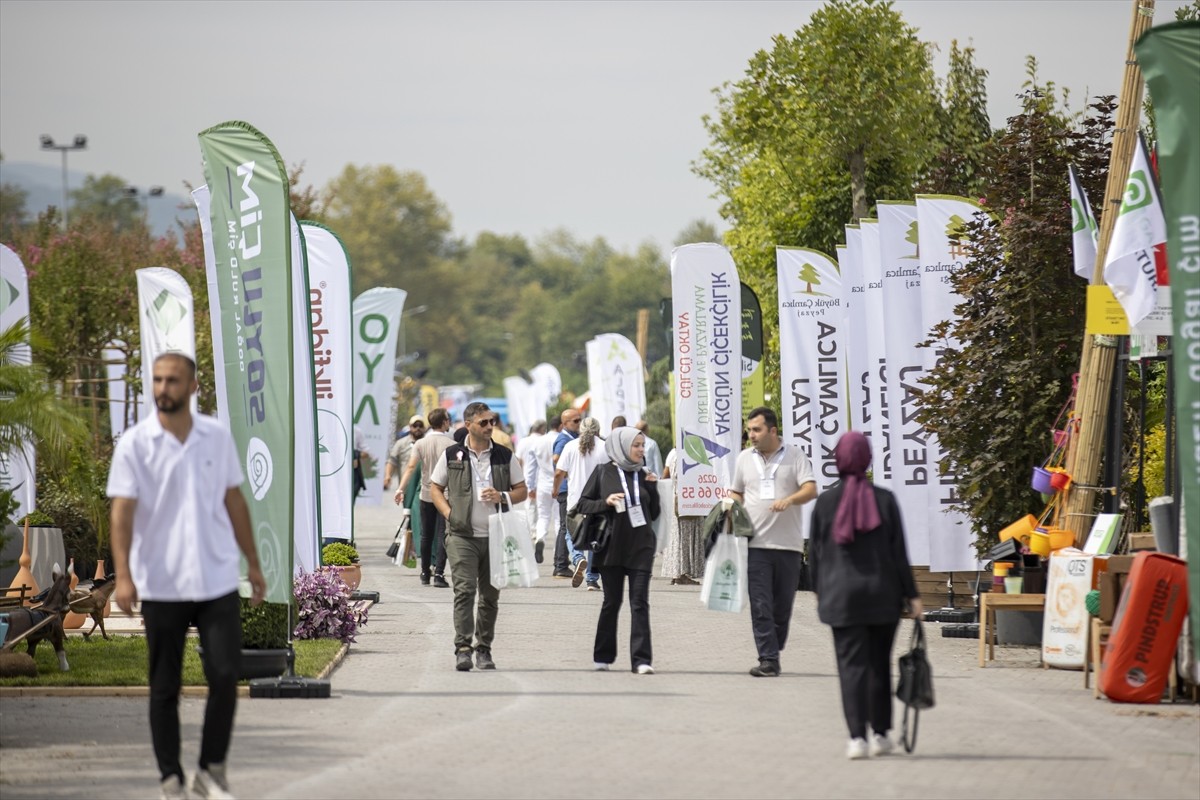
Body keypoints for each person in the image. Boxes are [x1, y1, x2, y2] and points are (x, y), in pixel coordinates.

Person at [106, 351, 267, 800]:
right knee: (164, 687)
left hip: (215, 578)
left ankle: (210, 771)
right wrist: (123, 576)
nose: (163, 388)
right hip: (161, 582)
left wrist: (252, 563)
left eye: (173, 380)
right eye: (157, 380)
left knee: (224, 674)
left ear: (193, 386)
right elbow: (121, 511)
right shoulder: (135, 444)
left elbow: (234, 501)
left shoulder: (216, 438)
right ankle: (170, 778)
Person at [809, 431, 922, 760]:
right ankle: (881, 734)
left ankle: (856, 737)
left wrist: (819, 590)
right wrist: (912, 596)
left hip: (841, 598)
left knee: (851, 667)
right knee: (878, 665)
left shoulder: (824, 503)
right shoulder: (885, 500)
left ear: (838, 459)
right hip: (883, 597)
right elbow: (898, 553)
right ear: (868, 459)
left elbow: (814, 554)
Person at [430, 402, 528, 671]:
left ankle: (483, 648)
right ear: (468, 425)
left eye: (491, 421)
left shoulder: (504, 456)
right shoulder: (452, 454)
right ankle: (463, 648)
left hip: (497, 535)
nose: (489, 427)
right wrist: (449, 515)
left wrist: (502, 496)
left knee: (489, 596)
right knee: (464, 591)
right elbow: (436, 488)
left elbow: (522, 490)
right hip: (462, 536)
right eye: (483, 422)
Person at [727, 406, 817, 678]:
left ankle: (773, 649)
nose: (751, 435)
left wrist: (789, 500)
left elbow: (811, 489)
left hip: (788, 546)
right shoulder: (744, 458)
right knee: (761, 604)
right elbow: (737, 491)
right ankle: (768, 659)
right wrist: (731, 505)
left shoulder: (795, 455)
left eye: (757, 430)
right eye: (749, 430)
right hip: (756, 546)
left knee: (782, 607)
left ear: (773, 430)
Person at [575, 426, 661, 674]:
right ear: (622, 446)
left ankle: (642, 660)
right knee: (611, 602)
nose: (641, 450)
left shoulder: (645, 474)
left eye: (642, 445)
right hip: (610, 548)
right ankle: (602, 656)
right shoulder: (604, 472)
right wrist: (606, 502)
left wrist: (653, 489)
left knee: (640, 603)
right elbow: (582, 503)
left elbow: (653, 513)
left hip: (641, 547)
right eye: (636, 445)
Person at [398, 408, 454, 587]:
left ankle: (424, 573)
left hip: (426, 494)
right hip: (445, 494)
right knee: (442, 534)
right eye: (447, 419)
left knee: (425, 534)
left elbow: (410, 467)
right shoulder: (451, 444)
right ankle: (439, 573)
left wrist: (400, 489)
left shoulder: (421, 444)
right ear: (444, 422)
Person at [555, 417, 607, 590]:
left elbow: (559, 472)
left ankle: (577, 558)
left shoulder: (571, 446)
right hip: (598, 501)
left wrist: (555, 490)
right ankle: (592, 578)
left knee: (571, 534)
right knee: (594, 540)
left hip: (575, 499)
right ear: (598, 430)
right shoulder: (605, 447)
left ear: (580, 430)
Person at [660, 447, 705, 585]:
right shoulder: (694, 453)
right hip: (688, 498)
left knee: (677, 536)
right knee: (686, 536)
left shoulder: (673, 453)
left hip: (676, 497)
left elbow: (665, 475)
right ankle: (682, 572)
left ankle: (677, 572)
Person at [551, 407, 583, 578]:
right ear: (564, 424)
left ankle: (562, 563)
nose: (579, 423)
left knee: (568, 525)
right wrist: (569, 473)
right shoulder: (564, 439)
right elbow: (556, 459)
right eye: (575, 421)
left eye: (580, 419)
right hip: (565, 489)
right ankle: (561, 564)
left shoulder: (574, 438)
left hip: (569, 488)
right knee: (566, 526)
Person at [531, 414, 562, 564]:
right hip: (559, 482)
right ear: (561, 426)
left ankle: (540, 539)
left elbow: (532, 466)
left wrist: (530, 485)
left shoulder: (538, 441)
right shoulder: (562, 440)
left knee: (543, 516)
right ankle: (558, 551)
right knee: (558, 518)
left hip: (542, 482)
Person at [515, 420, 546, 561]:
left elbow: (519, 460)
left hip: (527, 476)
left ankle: (532, 531)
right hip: (545, 478)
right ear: (542, 429)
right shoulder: (543, 440)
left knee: (530, 506)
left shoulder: (523, 441)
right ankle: (539, 532)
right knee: (544, 510)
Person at [383, 415, 426, 491]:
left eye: (420, 425)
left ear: (424, 427)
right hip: (406, 486)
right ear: (410, 427)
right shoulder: (401, 443)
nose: (418, 428)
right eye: (415, 425)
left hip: (424, 486)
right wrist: (388, 475)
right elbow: (392, 461)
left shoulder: (428, 443)